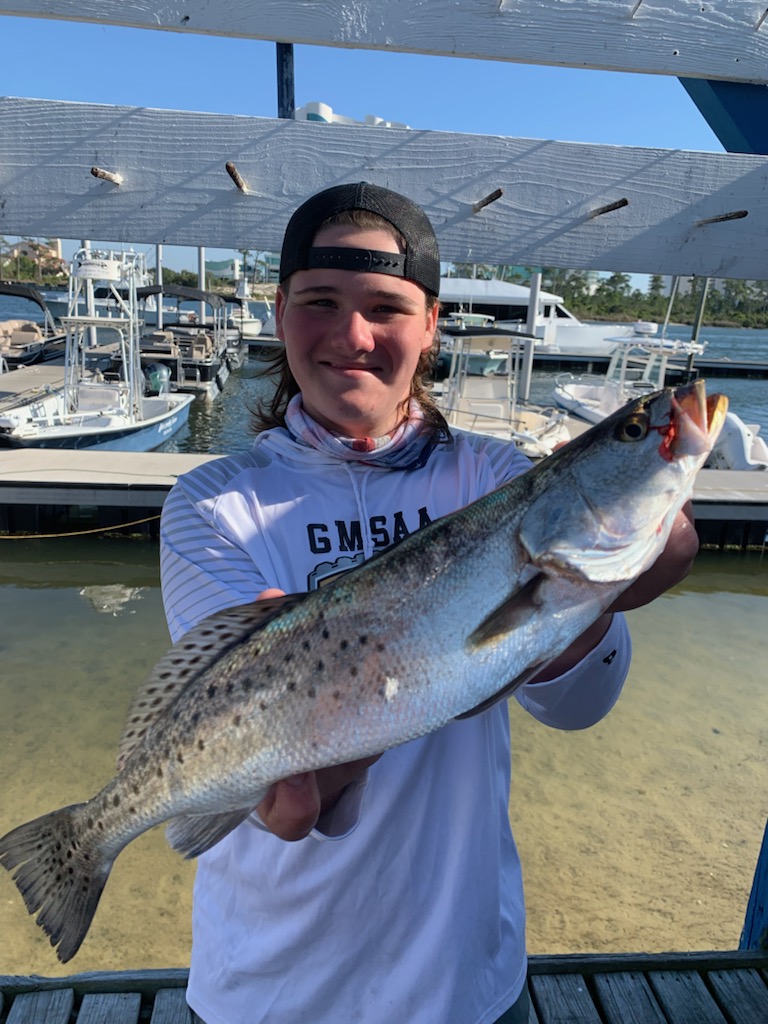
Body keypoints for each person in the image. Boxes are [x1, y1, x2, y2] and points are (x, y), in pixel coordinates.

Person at [160, 182, 699, 1024]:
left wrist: (596, 596)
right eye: (320, 302)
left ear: (433, 324)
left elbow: (579, 707)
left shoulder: (496, 480)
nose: (352, 336)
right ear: (277, 311)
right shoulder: (210, 502)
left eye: (387, 306)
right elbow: (229, 698)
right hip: (261, 990)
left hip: (462, 984)